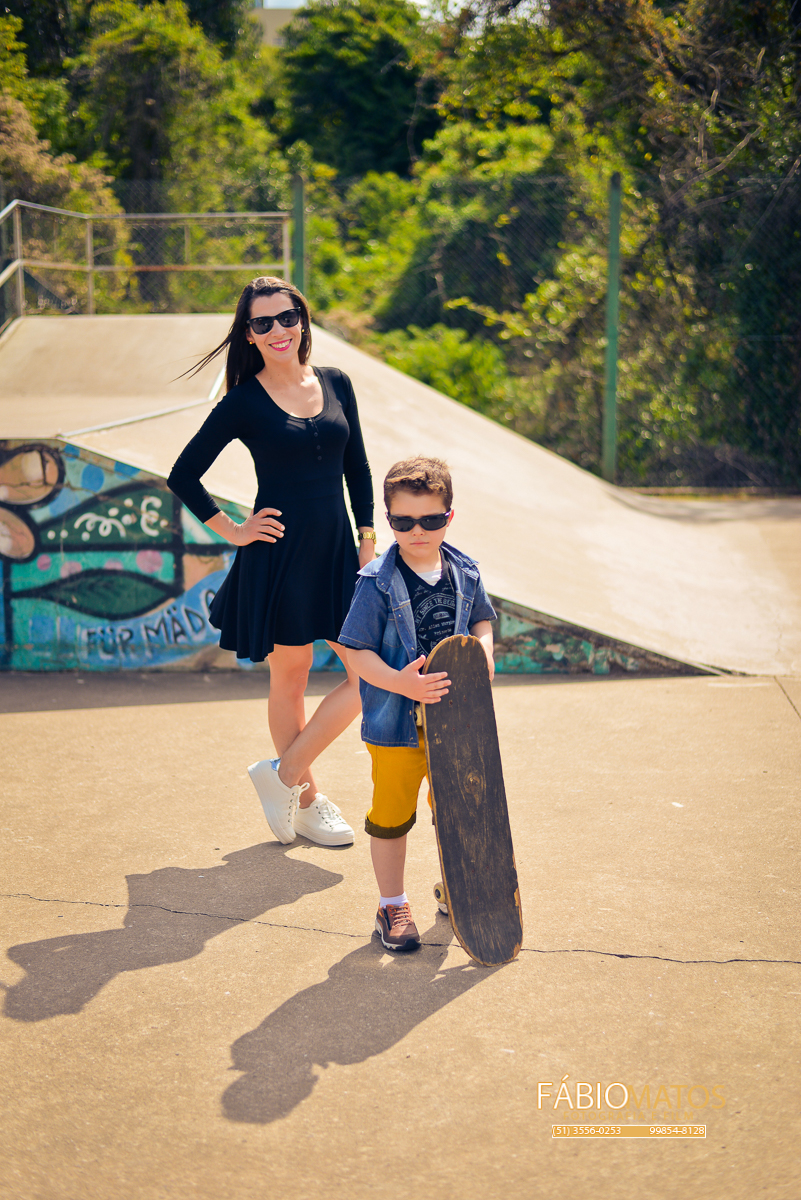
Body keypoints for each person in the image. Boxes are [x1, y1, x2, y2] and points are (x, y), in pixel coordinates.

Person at [250, 456, 496, 951]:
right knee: (391, 817)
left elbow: (481, 620)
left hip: (457, 723)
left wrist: (484, 655)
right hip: (397, 727)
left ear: (449, 516)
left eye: (430, 520)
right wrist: (400, 684)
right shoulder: (376, 581)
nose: (417, 531)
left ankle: (457, 886)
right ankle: (392, 906)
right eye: (403, 522)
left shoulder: (465, 571)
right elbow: (358, 654)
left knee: (459, 809)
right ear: (388, 521)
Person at [167, 276, 376, 847]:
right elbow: (183, 475)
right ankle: (307, 801)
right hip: (279, 555)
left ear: (302, 320)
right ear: (249, 335)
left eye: (287, 317)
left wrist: (367, 535)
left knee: (367, 675)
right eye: (263, 323)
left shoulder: (336, 382)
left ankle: (282, 775)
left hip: (337, 553)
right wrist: (235, 531)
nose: (278, 330)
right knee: (291, 677)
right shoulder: (243, 402)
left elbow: (357, 466)